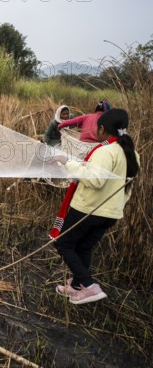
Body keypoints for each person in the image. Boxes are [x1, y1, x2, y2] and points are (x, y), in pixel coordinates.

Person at [51, 108, 139, 304]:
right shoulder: (132, 153)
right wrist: (117, 208)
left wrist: (68, 163)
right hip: (111, 213)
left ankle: (89, 286)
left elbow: (95, 179)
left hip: (88, 209)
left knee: (63, 243)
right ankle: (76, 287)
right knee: (84, 246)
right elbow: (126, 186)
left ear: (101, 128)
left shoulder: (106, 151)